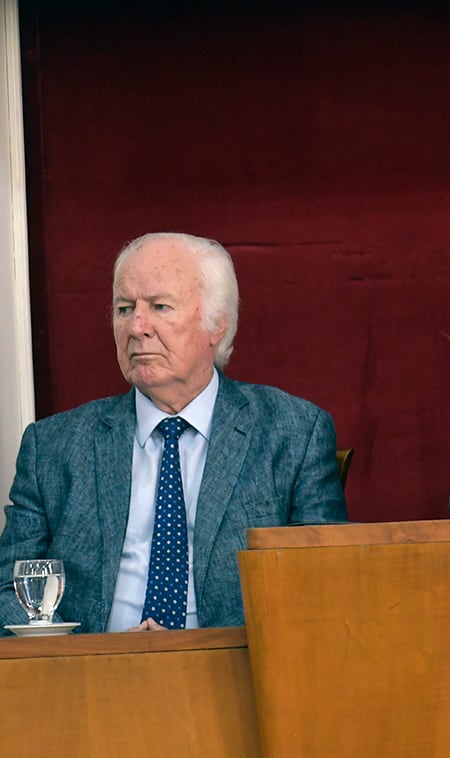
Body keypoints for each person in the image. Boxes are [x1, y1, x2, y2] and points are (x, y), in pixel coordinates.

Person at [0, 233, 348, 633]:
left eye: (160, 307)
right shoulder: (53, 447)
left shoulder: (293, 434)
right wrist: (87, 660)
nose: (137, 326)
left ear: (217, 324)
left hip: (233, 678)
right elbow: (9, 587)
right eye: (124, 308)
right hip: (91, 679)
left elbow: (322, 587)